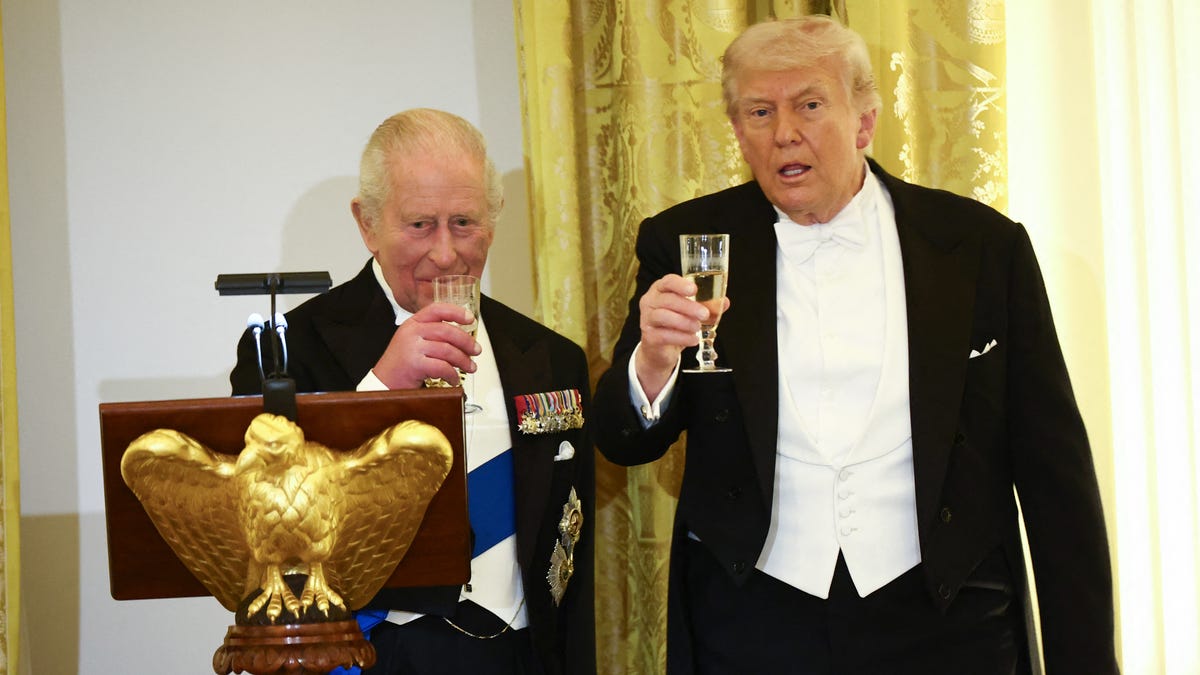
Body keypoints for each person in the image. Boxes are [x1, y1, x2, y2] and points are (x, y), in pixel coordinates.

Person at [592, 15, 1118, 675]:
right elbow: (621, 438)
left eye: (809, 105)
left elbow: (1054, 472)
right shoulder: (685, 242)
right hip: (752, 619)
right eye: (760, 110)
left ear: (865, 121)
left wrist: (1087, 659)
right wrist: (652, 363)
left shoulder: (980, 246)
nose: (785, 131)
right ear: (736, 131)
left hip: (946, 618)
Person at [231, 108, 595, 675]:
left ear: (493, 222)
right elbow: (257, 527)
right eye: (421, 224)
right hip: (369, 652)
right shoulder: (287, 349)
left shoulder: (552, 357)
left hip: (518, 655)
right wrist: (379, 389)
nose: (447, 253)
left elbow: (569, 553)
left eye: (465, 223)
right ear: (367, 223)